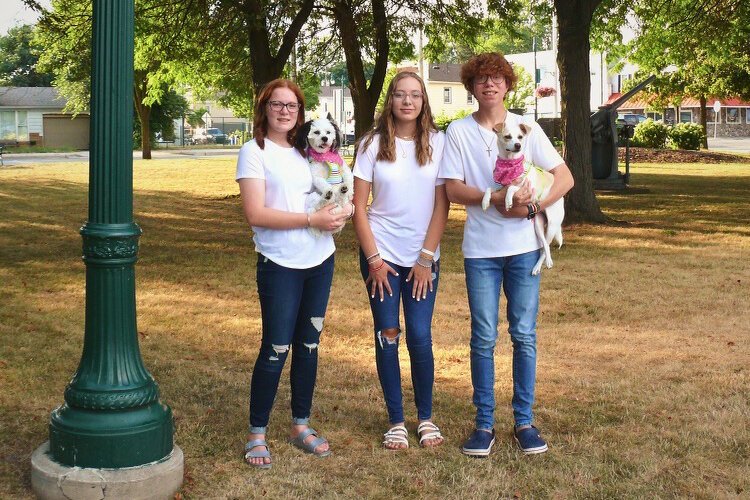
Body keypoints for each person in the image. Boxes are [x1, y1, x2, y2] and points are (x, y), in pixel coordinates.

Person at [438, 53, 574, 456]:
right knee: (483, 338)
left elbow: (565, 177)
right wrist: (492, 198)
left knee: (524, 335)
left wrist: (535, 207)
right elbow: (452, 189)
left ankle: (524, 422)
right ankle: (484, 426)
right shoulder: (458, 133)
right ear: (472, 87)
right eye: (481, 79)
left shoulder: (525, 129)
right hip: (480, 251)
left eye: (497, 78)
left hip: (523, 250)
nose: (490, 84)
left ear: (508, 84)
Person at [236, 79, 353, 469]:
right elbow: (255, 214)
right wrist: (310, 219)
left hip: (320, 262)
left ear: (300, 113)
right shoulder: (254, 151)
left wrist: (340, 213)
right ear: (264, 107)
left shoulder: (311, 152)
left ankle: (300, 424)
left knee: (309, 346)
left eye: (292, 106)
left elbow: (333, 192)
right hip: (280, 264)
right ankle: (257, 432)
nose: (285, 111)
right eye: (277, 104)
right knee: (276, 348)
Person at [352, 71, 449, 450]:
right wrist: (374, 260)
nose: (407, 102)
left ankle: (425, 418)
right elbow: (359, 207)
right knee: (388, 333)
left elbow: (443, 205)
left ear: (424, 102)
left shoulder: (439, 144)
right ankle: (396, 420)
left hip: (423, 259)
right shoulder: (371, 144)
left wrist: (425, 258)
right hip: (382, 258)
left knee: (421, 337)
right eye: (400, 95)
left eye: (415, 96)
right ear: (390, 100)